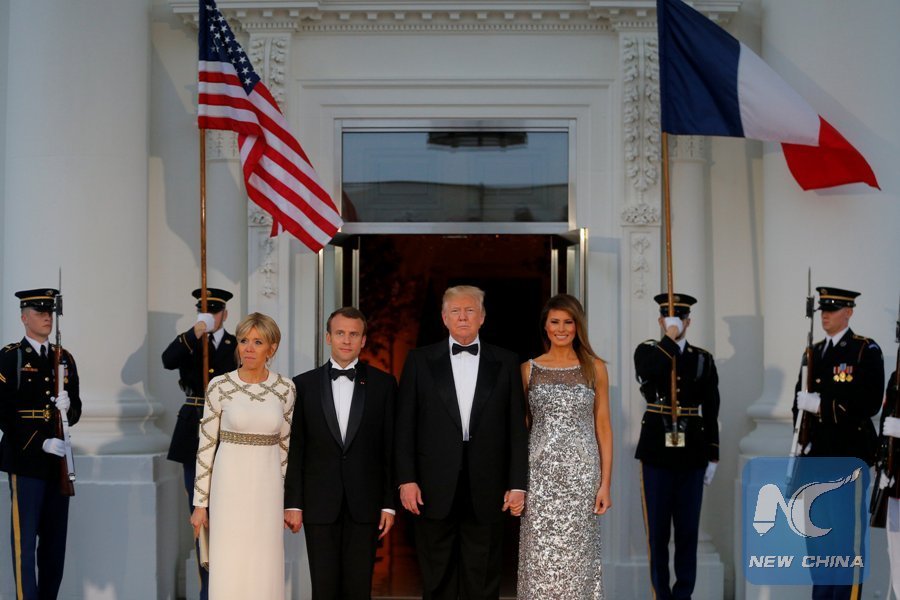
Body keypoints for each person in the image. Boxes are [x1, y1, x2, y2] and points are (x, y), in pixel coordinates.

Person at [395, 285, 528, 600]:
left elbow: (516, 428)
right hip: (432, 486)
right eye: (455, 311)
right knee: (436, 576)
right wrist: (406, 479)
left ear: (482, 317)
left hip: (489, 486)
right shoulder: (419, 361)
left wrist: (517, 484)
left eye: (470, 310)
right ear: (444, 318)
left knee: (482, 577)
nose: (463, 317)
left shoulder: (507, 361)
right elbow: (404, 426)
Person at [284, 307, 397, 599]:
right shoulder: (303, 385)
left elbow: (389, 448)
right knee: (323, 587)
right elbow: (297, 447)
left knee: (359, 588)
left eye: (354, 334)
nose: (346, 340)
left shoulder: (384, 385)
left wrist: (388, 504)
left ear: (363, 340)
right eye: (340, 333)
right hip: (319, 503)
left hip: (366, 504)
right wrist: (293, 502)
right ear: (328, 337)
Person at [189, 312, 296, 600]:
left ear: (272, 348)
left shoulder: (286, 389)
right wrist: (200, 503)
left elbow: (285, 448)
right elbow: (206, 446)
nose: (248, 348)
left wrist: (287, 499)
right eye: (244, 340)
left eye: (257, 342)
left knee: (265, 565)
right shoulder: (219, 386)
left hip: (268, 492)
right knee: (230, 565)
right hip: (228, 492)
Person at [517, 293, 612, 599]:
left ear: (577, 326)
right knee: (540, 561)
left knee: (578, 562)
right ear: (545, 326)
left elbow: (603, 428)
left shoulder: (595, 368)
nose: (561, 329)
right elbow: (522, 428)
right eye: (555, 322)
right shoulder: (528, 370)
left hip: (582, 478)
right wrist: (516, 483)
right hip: (540, 478)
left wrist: (605, 484)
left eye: (568, 322)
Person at [793, 287, 883, 600]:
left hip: (847, 459)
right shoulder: (813, 352)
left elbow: (868, 403)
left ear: (849, 312)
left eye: (832, 310)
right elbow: (798, 404)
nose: (825, 316)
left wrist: (822, 406)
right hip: (815, 461)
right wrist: (801, 434)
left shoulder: (864, 351)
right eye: (823, 310)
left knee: (846, 543)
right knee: (819, 545)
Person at [634, 293, 719, 600]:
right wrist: (668, 339)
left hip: (692, 452)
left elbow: (712, 407)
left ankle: (684, 595)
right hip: (656, 452)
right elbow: (648, 372)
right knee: (657, 533)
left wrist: (713, 454)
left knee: (687, 532)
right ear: (661, 321)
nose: (675, 323)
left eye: (680, 319)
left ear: (688, 321)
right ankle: (661, 594)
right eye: (669, 319)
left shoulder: (702, 358)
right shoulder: (647, 351)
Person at [0, 288, 82, 599]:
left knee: (54, 544)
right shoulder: (11, 357)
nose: (47, 317)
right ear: (24, 318)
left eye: (49, 312)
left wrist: (67, 407)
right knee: (24, 544)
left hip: (58, 461)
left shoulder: (65, 358)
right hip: (26, 460)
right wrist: (40, 443)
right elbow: (4, 412)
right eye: (39, 312)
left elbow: (76, 410)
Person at [161, 287, 236, 600]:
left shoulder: (236, 345)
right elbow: (167, 360)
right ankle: (207, 587)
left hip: (227, 431)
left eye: (215, 312)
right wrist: (195, 332)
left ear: (224, 314)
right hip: (193, 431)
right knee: (200, 512)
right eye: (205, 311)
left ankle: (228, 585)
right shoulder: (190, 342)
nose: (210, 317)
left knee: (228, 513)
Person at [879, 367, 900, 599]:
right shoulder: (897, 376)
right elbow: (886, 426)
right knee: (897, 560)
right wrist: (883, 465)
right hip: (896, 483)